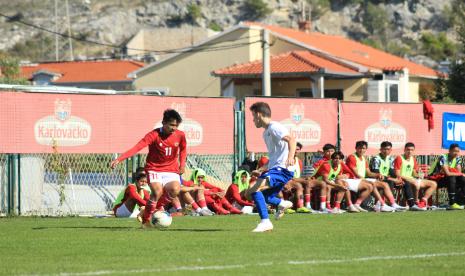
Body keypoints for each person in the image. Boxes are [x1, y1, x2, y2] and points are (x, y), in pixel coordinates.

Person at [110, 109, 187, 228]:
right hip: (154, 168)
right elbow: (137, 148)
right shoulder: (153, 135)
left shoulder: (180, 135)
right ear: (163, 122)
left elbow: (183, 149)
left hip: (171, 169)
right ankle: (146, 221)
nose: (174, 128)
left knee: (175, 189)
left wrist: (182, 164)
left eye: (176, 125)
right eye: (171, 125)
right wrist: (119, 159)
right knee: (157, 192)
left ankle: (151, 210)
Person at [244, 102, 295, 232]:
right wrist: (261, 169)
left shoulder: (274, 127)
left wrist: (290, 156)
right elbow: (273, 157)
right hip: (275, 169)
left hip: (282, 169)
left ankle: (265, 222)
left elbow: (292, 140)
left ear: (259, 114)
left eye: (253, 116)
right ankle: (282, 203)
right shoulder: (266, 133)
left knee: (253, 189)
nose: (253, 120)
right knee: (261, 195)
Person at [346, 140, 400, 212]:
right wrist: (365, 179)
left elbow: (369, 173)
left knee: (385, 184)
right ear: (356, 148)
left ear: (366, 149)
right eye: (360, 148)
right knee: (372, 184)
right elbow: (356, 174)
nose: (361, 150)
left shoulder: (364, 159)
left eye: (364, 148)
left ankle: (393, 204)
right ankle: (381, 204)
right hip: (354, 179)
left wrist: (378, 174)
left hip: (361, 180)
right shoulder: (352, 157)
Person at [394, 142, 437, 211]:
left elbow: (414, 172)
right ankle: (415, 203)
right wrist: (411, 179)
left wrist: (419, 175)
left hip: (412, 179)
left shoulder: (413, 159)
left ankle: (422, 202)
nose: (410, 151)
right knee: (416, 184)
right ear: (404, 150)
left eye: (412, 150)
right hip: (402, 180)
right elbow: (397, 174)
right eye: (408, 149)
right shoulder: (399, 158)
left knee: (433, 184)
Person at [369, 141, 410, 211]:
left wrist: (398, 178)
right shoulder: (376, 159)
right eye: (384, 149)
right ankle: (390, 204)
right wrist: (393, 179)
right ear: (380, 149)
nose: (386, 151)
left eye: (388, 149)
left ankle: (411, 204)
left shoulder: (390, 158)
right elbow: (376, 173)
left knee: (405, 182)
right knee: (389, 182)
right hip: (376, 179)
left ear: (391, 150)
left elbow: (392, 171)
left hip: (385, 178)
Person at [428, 143, 465, 210]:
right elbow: (448, 173)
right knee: (452, 178)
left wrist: (461, 175)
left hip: (446, 179)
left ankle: (461, 201)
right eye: (454, 151)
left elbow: (459, 172)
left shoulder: (457, 158)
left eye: (458, 151)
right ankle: (452, 203)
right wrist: (461, 174)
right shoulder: (443, 157)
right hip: (434, 179)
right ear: (449, 150)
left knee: (462, 179)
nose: (456, 153)